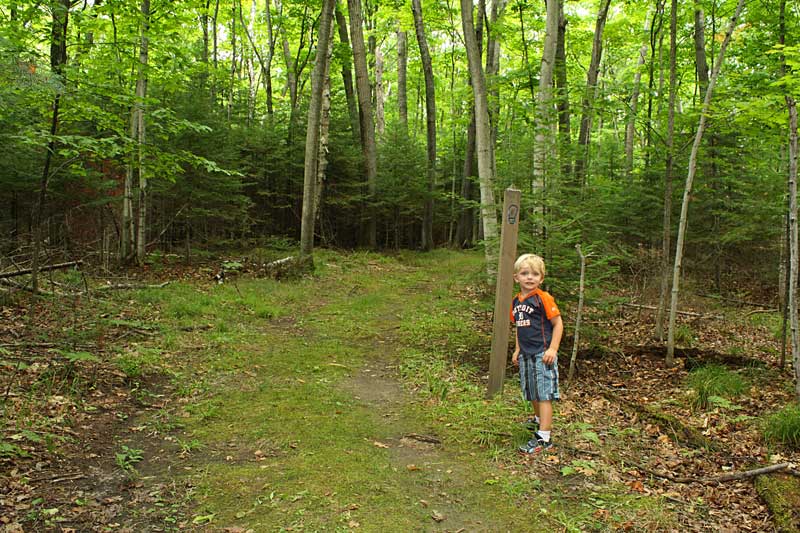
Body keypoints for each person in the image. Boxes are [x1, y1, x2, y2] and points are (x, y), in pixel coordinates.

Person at [510, 253, 563, 454]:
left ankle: (544, 438)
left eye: (534, 274)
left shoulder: (543, 298)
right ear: (517, 277)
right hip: (526, 354)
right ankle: (539, 420)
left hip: (543, 354)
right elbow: (519, 327)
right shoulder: (516, 302)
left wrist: (552, 349)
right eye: (525, 273)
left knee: (544, 394)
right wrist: (517, 349)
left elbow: (558, 324)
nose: (529, 277)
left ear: (541, 278)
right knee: (531, 391)